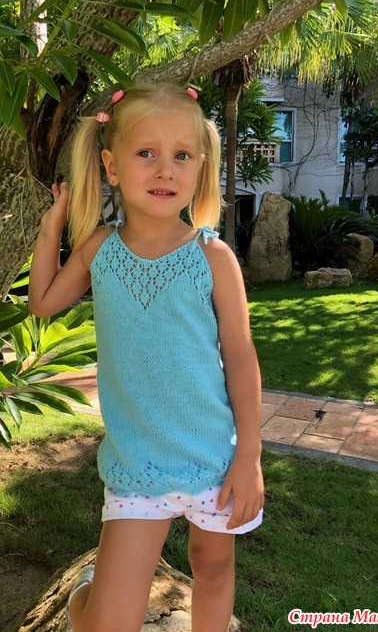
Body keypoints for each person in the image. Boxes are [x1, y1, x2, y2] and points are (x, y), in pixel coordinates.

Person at [28, 82, 264, 632]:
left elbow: (241, 357)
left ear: (200, 167)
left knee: (211, 565)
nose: (164, 170)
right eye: (146, 153)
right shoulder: (99, 248)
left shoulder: (213, 257)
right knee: (106, 625)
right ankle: (81, 600)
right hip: (136, 463)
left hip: (213, 457)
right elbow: (42, 303)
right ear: (111, 166)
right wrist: (51, 228)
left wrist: (249, 456)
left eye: (182, 155)